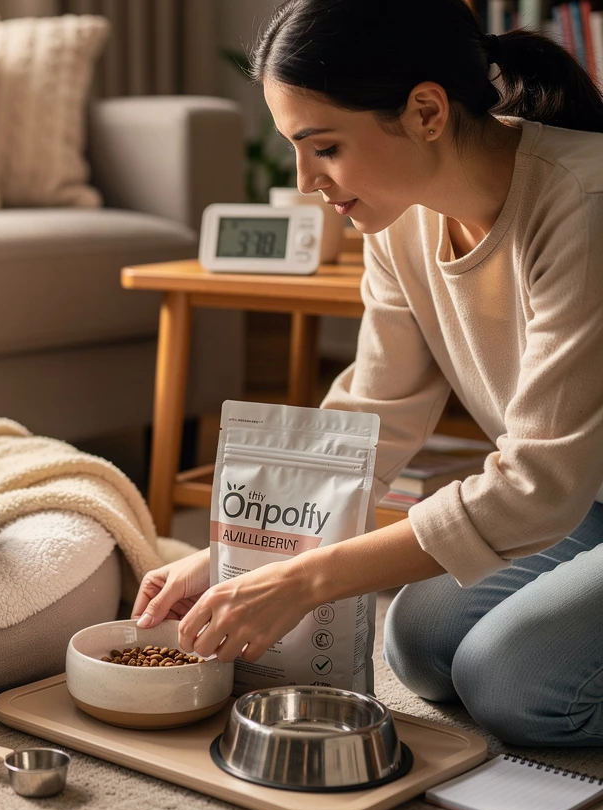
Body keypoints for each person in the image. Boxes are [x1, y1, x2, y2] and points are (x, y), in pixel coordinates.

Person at [132, 0, 603, 747]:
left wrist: (305, 579)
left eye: (323, 147)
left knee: (512, 682)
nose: (306, 178)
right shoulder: (399, 213)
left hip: (569, 492)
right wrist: (233, 554)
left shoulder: (583, 204)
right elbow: (371, 415)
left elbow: (537, 486)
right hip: (587, 504)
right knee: (417, 643)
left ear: (425, 112)